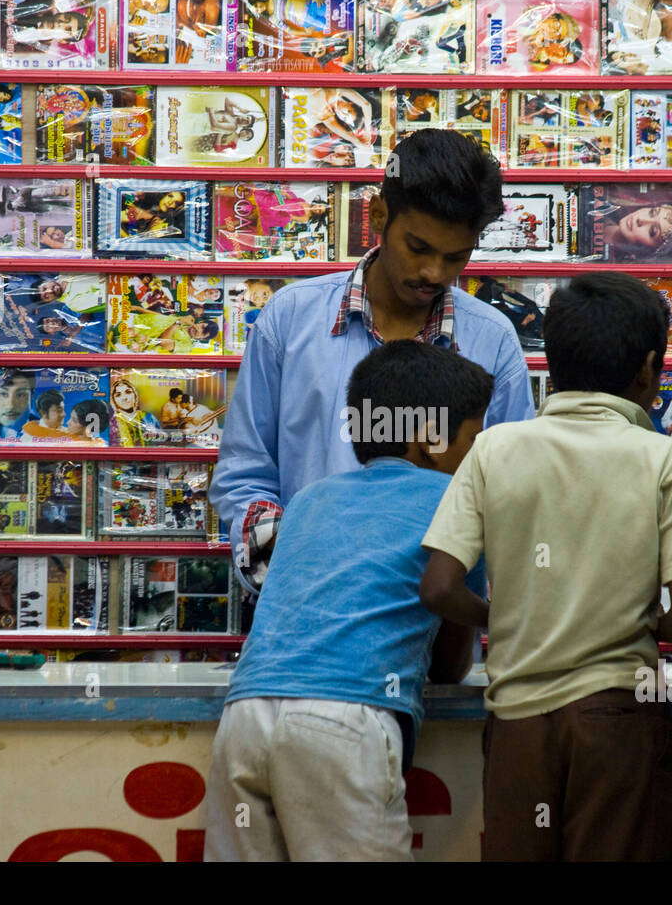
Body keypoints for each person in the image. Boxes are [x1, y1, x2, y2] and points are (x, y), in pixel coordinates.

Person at [420, 272, 672, 860]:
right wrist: (625, 620)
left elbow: (439, 586)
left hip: (517, 725)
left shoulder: (494, 448)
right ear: (651, 369)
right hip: (618, 718)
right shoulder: (665, 457)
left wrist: (503, 616)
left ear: (550, 362)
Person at [204, 341, 493, 861]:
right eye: (474, 437)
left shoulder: (311, 498)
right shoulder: (457, 504)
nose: (479, 452)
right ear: (431, 439)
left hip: (244, 717)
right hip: (346, 721)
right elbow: (451, 665)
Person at [210, 129, 533, 594]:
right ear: (379, 214)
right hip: (304, 611)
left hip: (436, 626)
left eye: (456, 257)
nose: (434, 274)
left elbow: (508, 491)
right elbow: (246, 475)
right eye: (418, 248)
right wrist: (294, 579)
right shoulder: (291, 318)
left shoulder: (493, 340)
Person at [0, 371, 34, 441]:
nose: (11, 406)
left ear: (32, 397)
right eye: (3, 394)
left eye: (20, 395)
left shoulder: (48, 432)